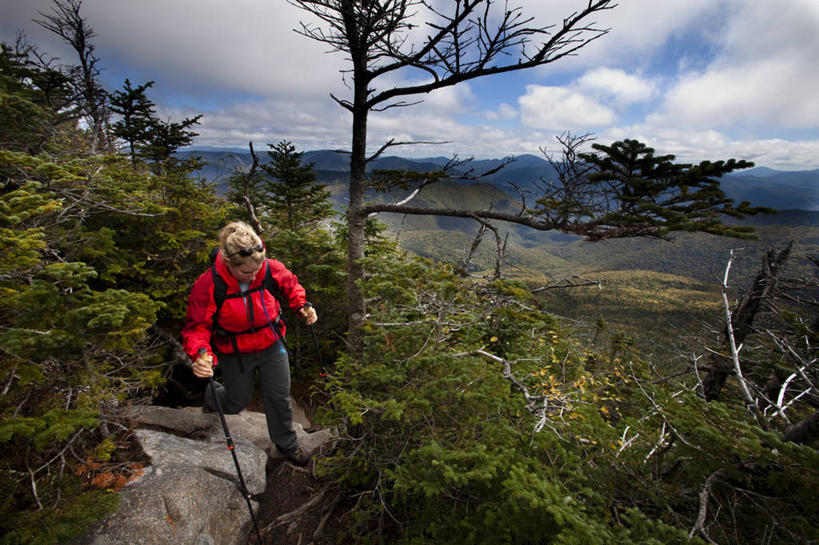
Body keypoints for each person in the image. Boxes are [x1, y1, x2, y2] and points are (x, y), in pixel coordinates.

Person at [182, 221, 318, 464]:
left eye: (257, 270)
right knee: (236, 402)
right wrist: (202, 355)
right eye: (246, 273)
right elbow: (197, 327)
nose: (253, 276)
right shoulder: (209, 284)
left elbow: (290, 285)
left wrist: (303, 306)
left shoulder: (268, 268)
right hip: (236, 351)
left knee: (279, 397)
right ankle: (213, 397)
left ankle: (287, 446)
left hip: (272, 344)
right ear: (229, 264)